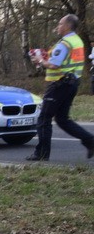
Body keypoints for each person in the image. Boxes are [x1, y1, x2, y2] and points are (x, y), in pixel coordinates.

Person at [26, 14, 94, 162]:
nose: (58, 26)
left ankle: (42, 154)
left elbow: (54, 65)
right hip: (73, 83)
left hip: (59, 84)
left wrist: (40, 60)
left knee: (44, 118)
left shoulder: (64, 43)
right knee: (62, 119)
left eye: (60, 23)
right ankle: (89, 140)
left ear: (67, 26)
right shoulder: (77, 41)